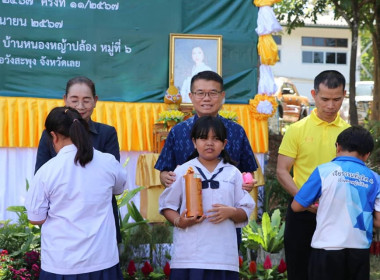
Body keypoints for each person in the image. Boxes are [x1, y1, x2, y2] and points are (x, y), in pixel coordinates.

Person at [155, 70, 259, 246]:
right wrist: (164, 176)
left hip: (226, 220)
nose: (206, 98)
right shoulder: (178, 131)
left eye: (212, 93)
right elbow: (165, 170)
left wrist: (247, 182)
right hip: (190, 219)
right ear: (191, 96)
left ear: (222, 96)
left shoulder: (236, 131)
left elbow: (247, 170)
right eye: (200, 93)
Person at [25, 107, 127, 279]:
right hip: (102, 260)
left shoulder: (47, 171)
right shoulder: (107, 162)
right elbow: (119, 189)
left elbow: (36, 218)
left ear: (54, 137)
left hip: (61, 263)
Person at [159, 116, 255, 280]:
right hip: (189, 256)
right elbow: (167, 206)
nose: (209, 143)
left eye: (216, 139)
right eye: (203, 138)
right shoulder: (183, 170)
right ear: (194, 142)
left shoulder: (233, 173)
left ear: (224, 144)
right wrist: (179, 221)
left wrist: (231, 212)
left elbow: (245, 210)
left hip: (223, 257)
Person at [276, 70, 350, 280]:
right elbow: (282, 171)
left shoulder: (348, 132)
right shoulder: (296, 130)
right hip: (302, 212)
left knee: (334, 272)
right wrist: (304, 200)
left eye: (337, 99)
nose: (330, 105)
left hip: (336, 212)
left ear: (344, 95)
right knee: (299, 270)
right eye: (324, 99)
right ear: (313, 94)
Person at [34, 76, 122, 244]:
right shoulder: (50, 134)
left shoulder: (107, 133)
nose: (80, 106)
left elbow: (114, 180)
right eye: (74, 100)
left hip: (101, 224)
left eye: (86, 100)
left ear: (95, 101)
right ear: (65, 99)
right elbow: (40, 177)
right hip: (62, 224)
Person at [291, 126, 380, 280]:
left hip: (326, 248)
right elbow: (379, 221)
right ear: (367, 155)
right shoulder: (375, 178)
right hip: (359, 250)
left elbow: (296, 206)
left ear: (337, 147)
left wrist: (320, 207)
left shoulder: (324, 171)